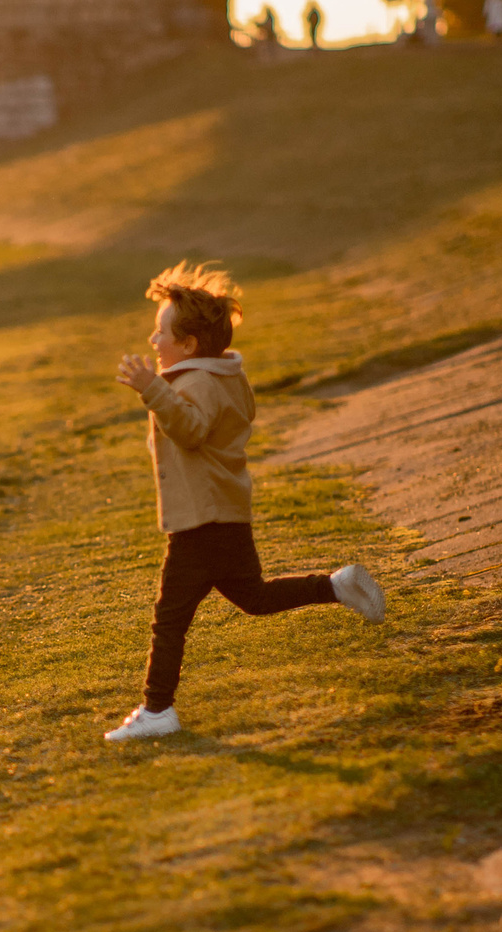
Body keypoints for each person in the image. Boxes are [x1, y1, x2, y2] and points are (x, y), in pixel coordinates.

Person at [103, 263, 386, 742]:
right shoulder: (221, 378)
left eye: (161, 333)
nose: (153, 342)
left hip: (201, 523)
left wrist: (152, 389)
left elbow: (191, 430)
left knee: (168, 619)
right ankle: (336, 586)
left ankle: (157, 709)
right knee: (254, 597)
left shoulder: (196, 383)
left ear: (189, 345)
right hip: (226, 516)